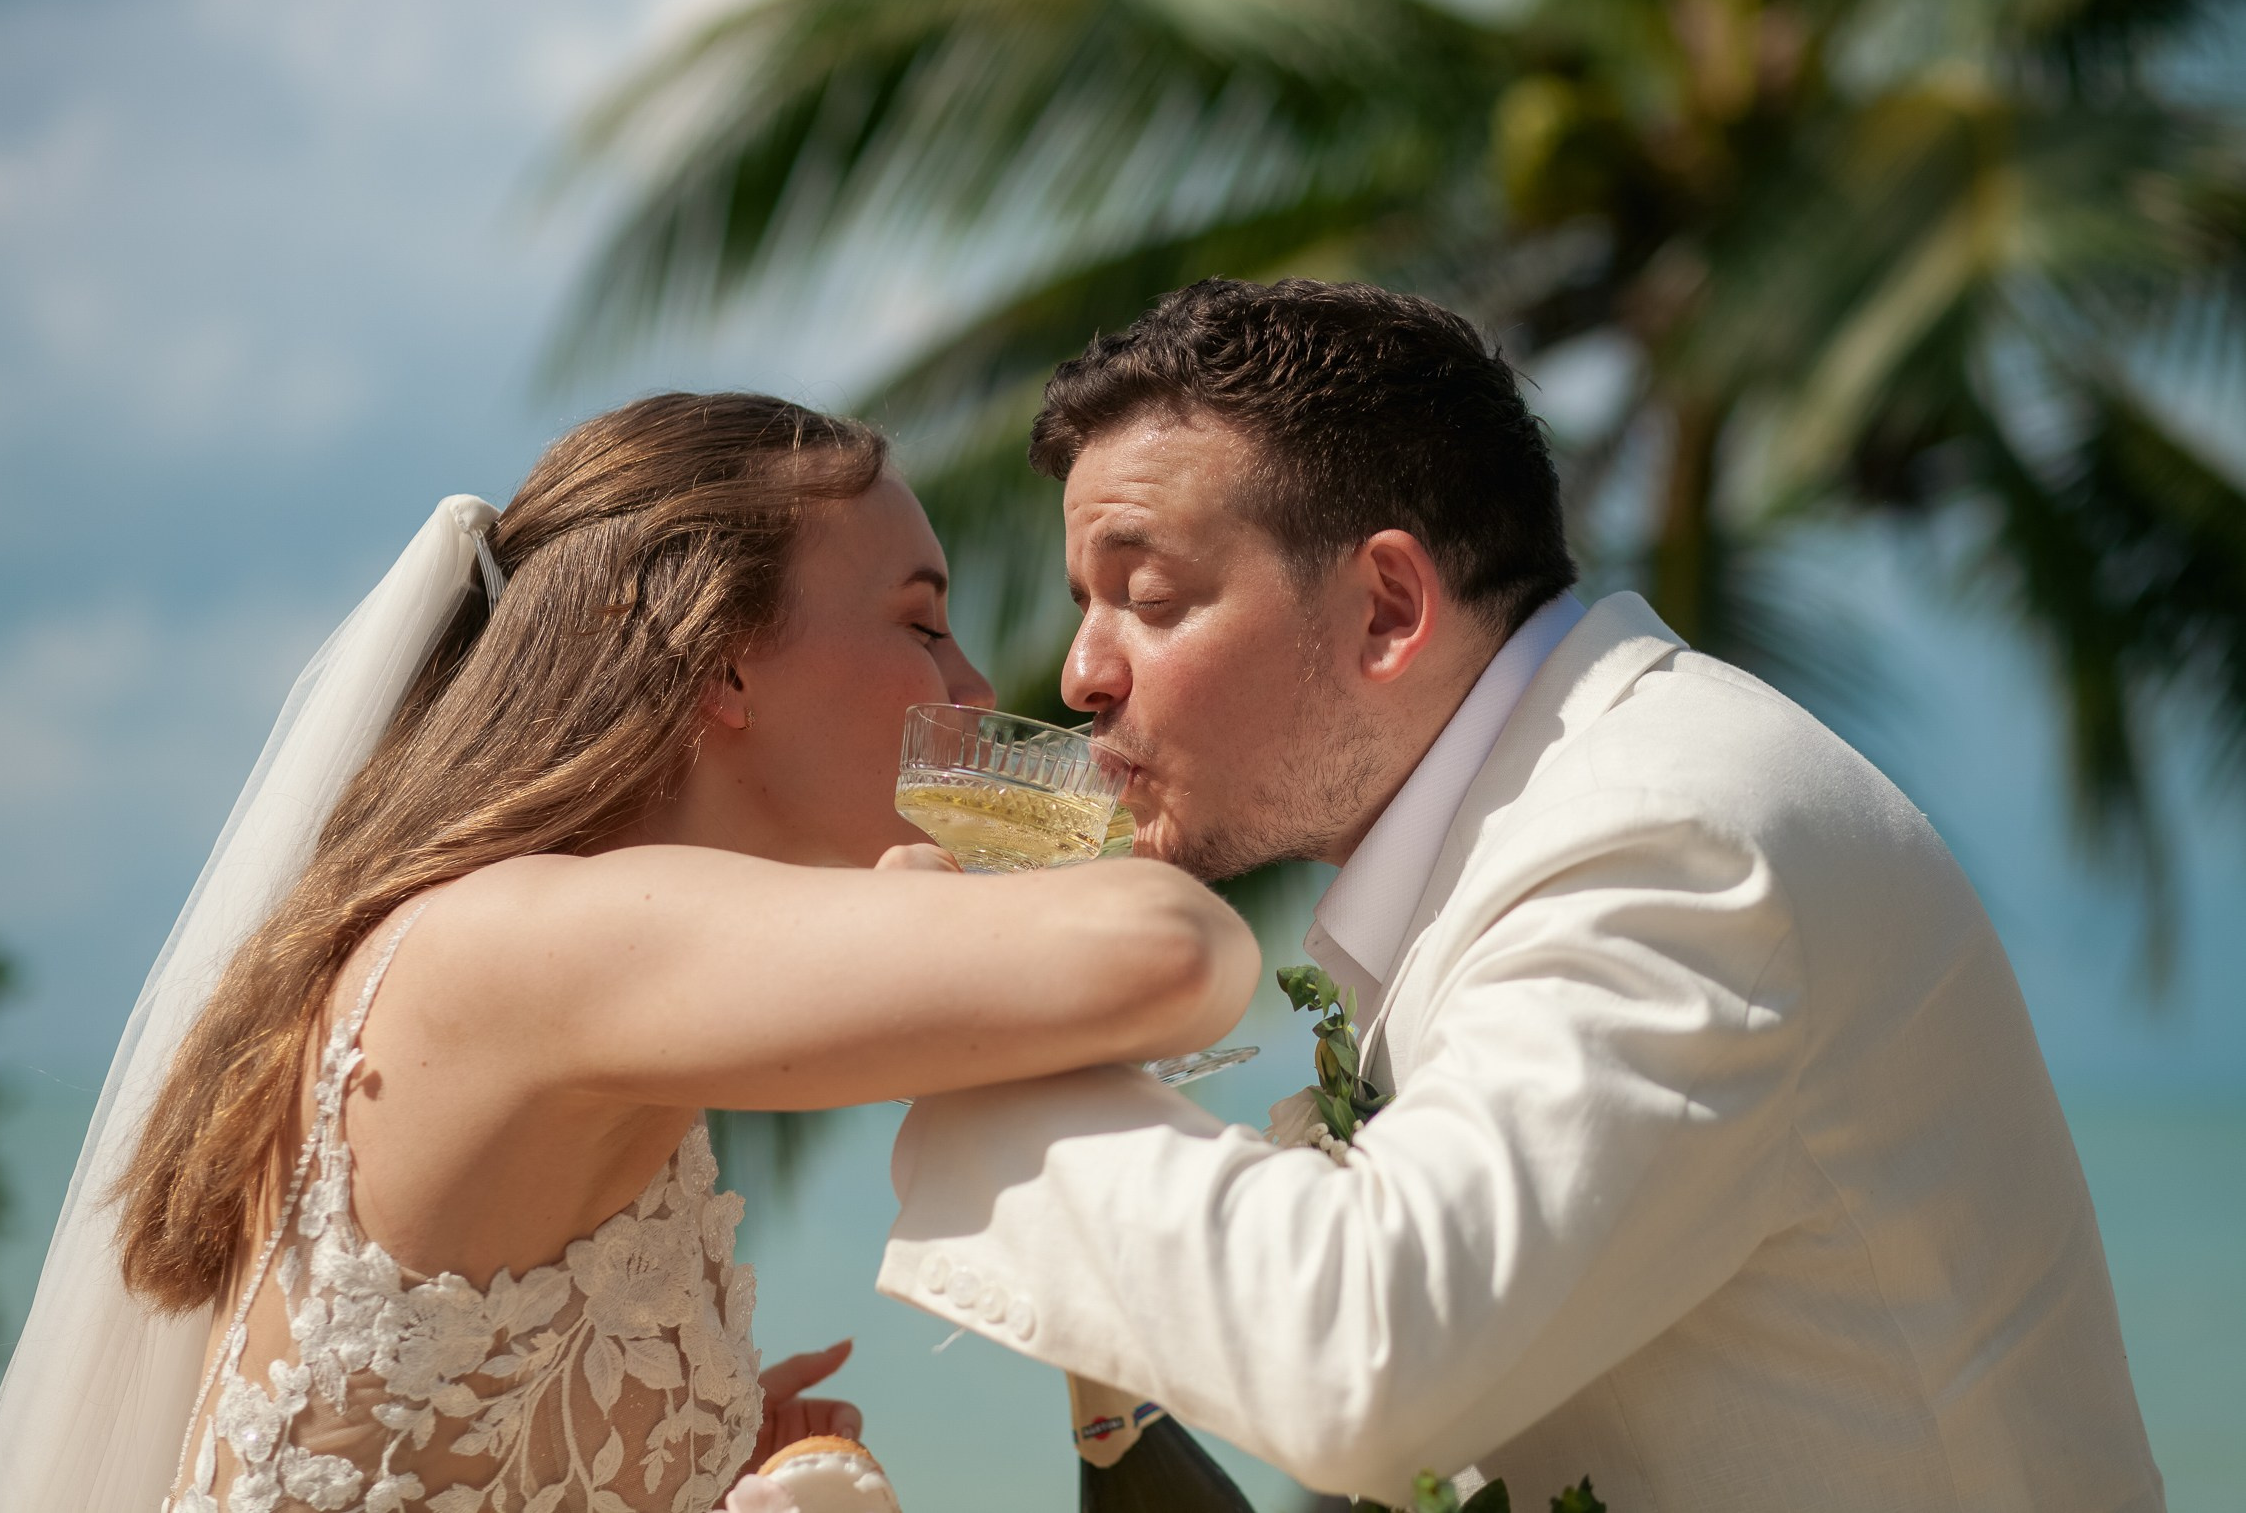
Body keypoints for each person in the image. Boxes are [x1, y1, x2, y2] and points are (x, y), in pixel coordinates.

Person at [874, 280, 2165, 1512]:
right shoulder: (1561, 806)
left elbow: (1374, 1354)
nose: (1086, 669)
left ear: (1387, 605)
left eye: (1149, 597)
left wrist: (966, 999)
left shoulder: (1666, 835)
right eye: (1087, 603)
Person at [0, 392, 1259, 1513]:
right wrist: (945, 894)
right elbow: (1178, 950)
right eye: (921, 622)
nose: (975, 685)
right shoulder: (529, 938)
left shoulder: (567, 961)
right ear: (723, 655)